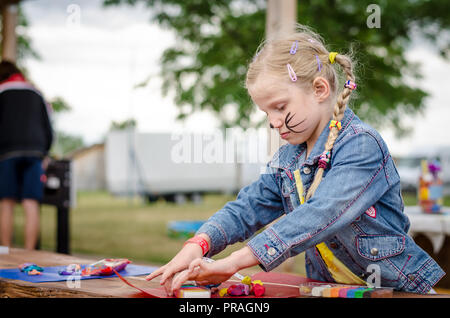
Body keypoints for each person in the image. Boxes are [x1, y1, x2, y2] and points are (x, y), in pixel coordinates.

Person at [146, 25, 444, 295]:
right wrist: (199, 243)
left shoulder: (361, 145)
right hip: (332, 290)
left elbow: (319, 215)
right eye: (266, 114)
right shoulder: (288, 158)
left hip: (397, 289)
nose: (274, 122)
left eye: (279, 107)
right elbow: (249, 206)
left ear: (319, 89)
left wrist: (234, 262)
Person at [0, 60, 53, 250]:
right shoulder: (36, 93)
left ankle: (5, 253)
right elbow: (48, 126)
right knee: (31, 203)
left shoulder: (2, 91)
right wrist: (45, 153)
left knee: (6, 202)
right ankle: (30, 253)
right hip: (35, 152)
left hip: (7, 152)